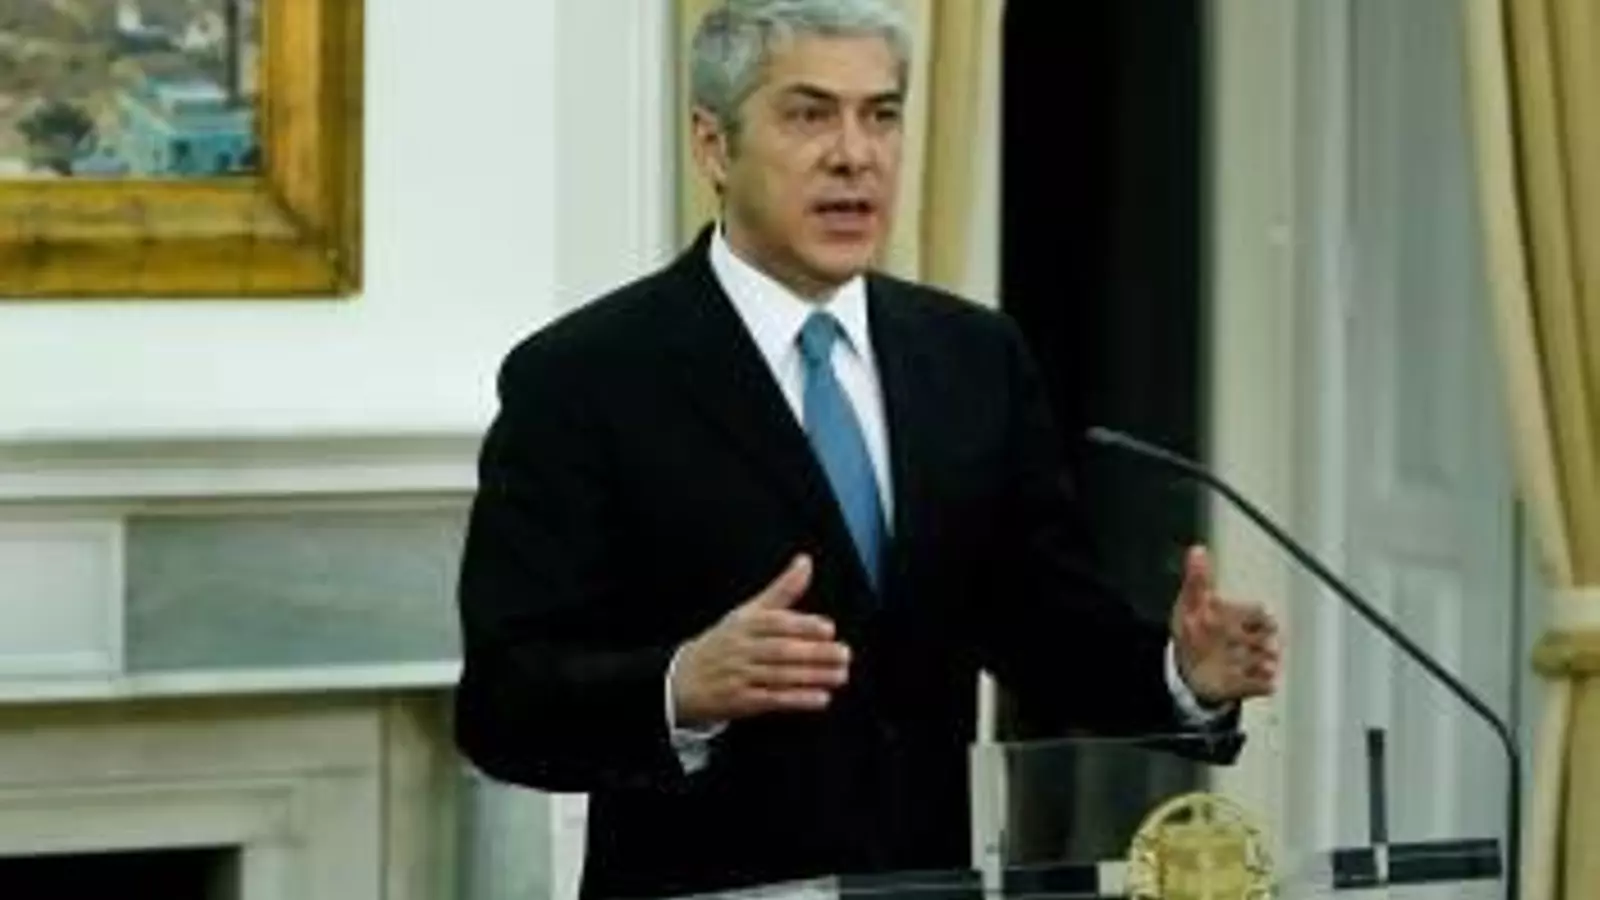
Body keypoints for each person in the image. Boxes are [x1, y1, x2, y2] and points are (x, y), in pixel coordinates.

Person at [453, 1, 1281, 896]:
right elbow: (504, 703)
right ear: (714, 146)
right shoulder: (585, 378)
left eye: (880, 115)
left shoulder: (973, 357)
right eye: (810, 115)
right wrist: (679, 684)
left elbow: (1046, 626)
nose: (856, 155)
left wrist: (1182, 676)